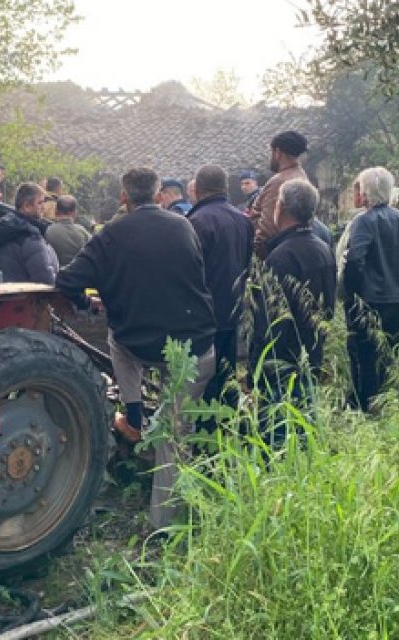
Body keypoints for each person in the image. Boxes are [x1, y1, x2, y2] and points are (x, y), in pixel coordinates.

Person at [56, 167, 216, 531]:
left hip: (140, 341)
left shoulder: (108, 235)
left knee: (116, 340)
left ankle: (134, 415)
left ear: (123, 198)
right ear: (160, 195)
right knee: (176, 436)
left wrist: (87, 301)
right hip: (195, 345)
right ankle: (163, 524)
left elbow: (65, 281)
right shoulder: (183, 226)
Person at [250, 178, 336, 444]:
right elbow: (329, 308)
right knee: (305, 424)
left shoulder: (280, 257)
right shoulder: (323, 249)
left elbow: (269, 320)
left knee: (277, 432)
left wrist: (256, 364)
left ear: (281, 208)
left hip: (279, 361)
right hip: (312, 353)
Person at [342, 167, 399, 412]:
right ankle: (384, 401)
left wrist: (349, 291)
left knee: (363, 354)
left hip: (369, 299)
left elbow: (355, 259)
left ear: (366, 193)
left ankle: (364, 405)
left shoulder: (363, 221)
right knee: (390, 352)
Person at [186, 165, 254, 422]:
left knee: (201, 381)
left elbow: (189, 270)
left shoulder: (195, 222)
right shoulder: (243, 221)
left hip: (202, 313)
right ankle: (226, 428)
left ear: (199, 190)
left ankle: (204, 436)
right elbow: (247, 264)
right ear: (226, 188)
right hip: (233, 309)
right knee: (226, 374)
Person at [0, 182, 59, 284]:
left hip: (1, 296)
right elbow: (45, 278)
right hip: (28, 298)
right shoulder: (31, 236)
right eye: (40, 203)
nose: (44, 207)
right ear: (27, 206)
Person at [251, 131, 310, 257]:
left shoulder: (279, 182)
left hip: (276, 255)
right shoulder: (302, 176)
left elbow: (266, 230)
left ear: (278, 153)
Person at [45, 195, 91, 266]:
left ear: (56, 211)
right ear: (74, 213)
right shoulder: (82, 232)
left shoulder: (48, 231)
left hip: (58, 274)